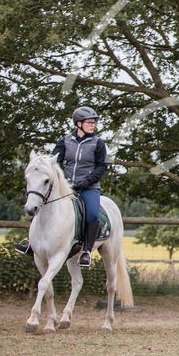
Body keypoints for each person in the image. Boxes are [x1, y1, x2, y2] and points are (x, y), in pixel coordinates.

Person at [16, 106, 108, 268]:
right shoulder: (65, 141)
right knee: (39, 205)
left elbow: (102, 167)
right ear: (79, 124)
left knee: (93, 215)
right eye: (89, 122)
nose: (93, 125)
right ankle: (32, 244)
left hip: (89, 187)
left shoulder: (98, 143)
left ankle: (86, 250)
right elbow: (54, 163)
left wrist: (86, 182)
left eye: (94, 123)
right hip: (67, 187)